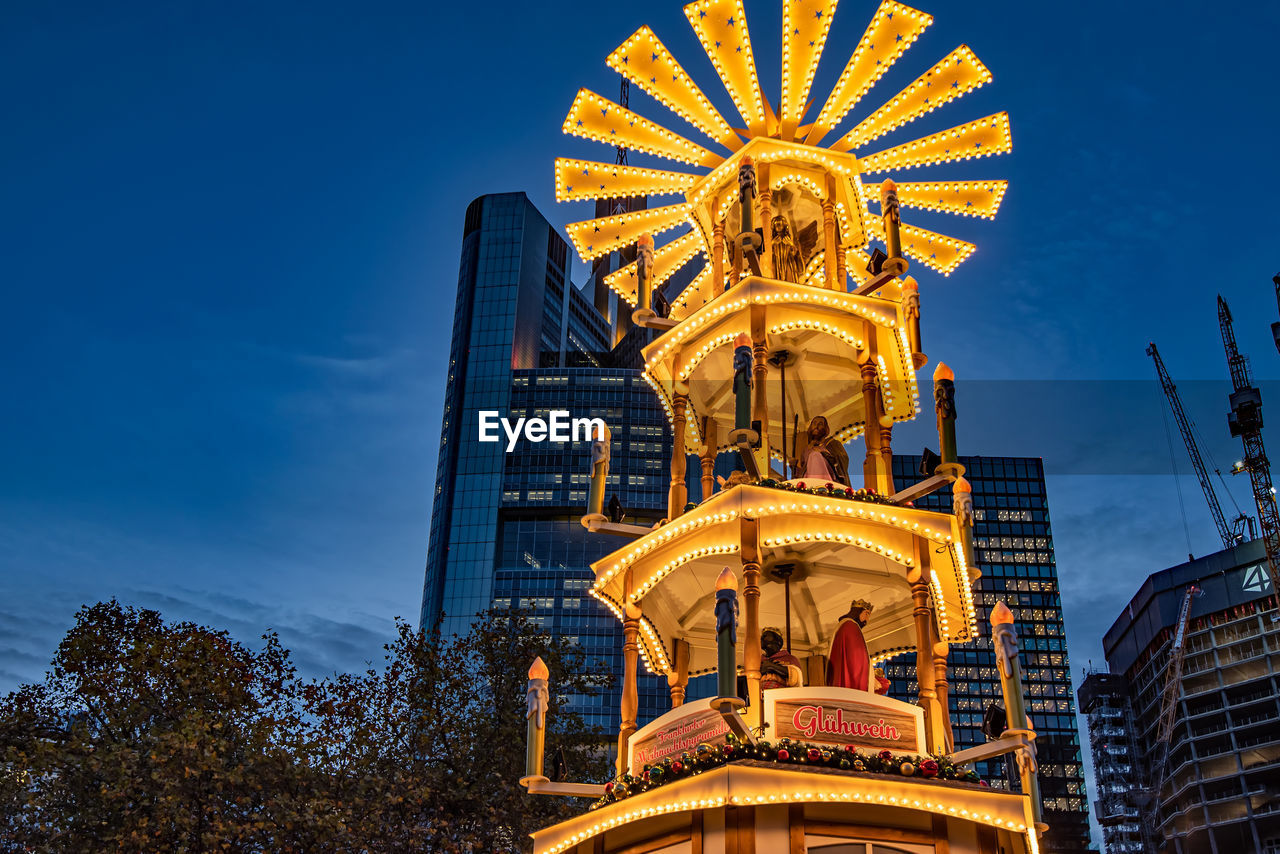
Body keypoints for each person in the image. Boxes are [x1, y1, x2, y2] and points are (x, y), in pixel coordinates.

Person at [827, 599, 874, 691]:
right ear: (857, 612)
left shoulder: (844, 626)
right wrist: (868, 679)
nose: (867, 619)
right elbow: (857, 661)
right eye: (866, 614)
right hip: (851, 686)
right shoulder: (851, 627)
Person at [794, 415, 850, 486]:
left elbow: (843, 459)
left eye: (820, 424)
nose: (816, 426)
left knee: (815, 455)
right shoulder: (806, 450)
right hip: (808, 480)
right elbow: (802, 469)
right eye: (814, 423)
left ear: (825, 428)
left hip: (828, 479)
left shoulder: (832, 443)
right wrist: (794, 467)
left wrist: (824, 453)